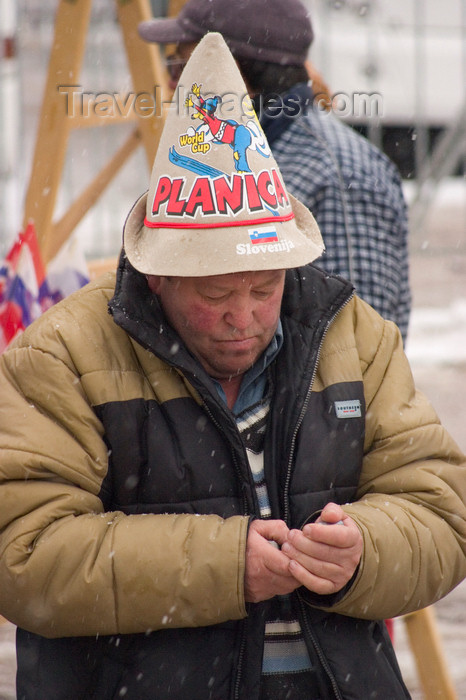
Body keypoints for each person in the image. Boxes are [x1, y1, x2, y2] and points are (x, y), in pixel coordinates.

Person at [0, 33, 465, 700]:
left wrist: (366, 549)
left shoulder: (353, 333)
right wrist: (224, 564)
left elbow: (442, 511)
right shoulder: (63, 355)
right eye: (215, 295)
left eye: (264, 289)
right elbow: (24, 554)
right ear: (157, 278)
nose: (242, 317)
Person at [139, 0, 412, 342]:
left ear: (235, 73)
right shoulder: (251, 154)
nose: (170, 83)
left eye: (183, 67)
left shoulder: (340, 177)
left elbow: (357, 354)